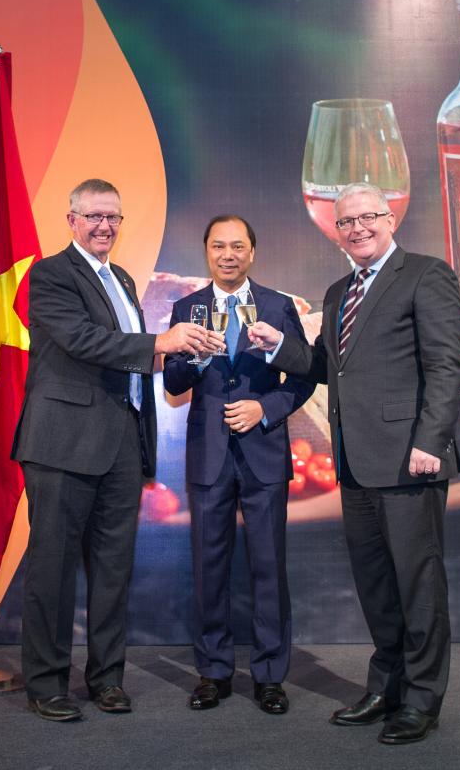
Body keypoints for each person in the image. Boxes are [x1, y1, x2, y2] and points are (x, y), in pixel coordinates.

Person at [247, 182, 460, 744]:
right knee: (375, 584)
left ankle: (421, 700)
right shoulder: (340, 289)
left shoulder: (426, 274)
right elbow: (326, 367)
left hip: (408, 459)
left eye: (368, 217)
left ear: (390, 218)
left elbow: (446, 366)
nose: (358, 229)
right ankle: (387, 685)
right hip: (356, 461)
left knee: (418, 584)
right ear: (336, 230)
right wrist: (277, 345)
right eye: (347, 222)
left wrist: (429, 442)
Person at [11, 178, 208, 722]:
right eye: (94, 216)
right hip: (61, 443)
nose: (104, 226)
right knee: (51, 568)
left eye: (113, 218)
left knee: (113, 568)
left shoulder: (120, 277)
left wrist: (183, 355)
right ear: (71, 219)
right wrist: (159, 345)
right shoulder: (50, 274)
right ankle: (47, 684)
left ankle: (106, 679)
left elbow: (129, 358)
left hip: (122, 442)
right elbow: (82, 341)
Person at [163, 215, 315, 715]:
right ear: (207, 252)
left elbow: (305, 374)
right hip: (208, 457)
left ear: (253, 252)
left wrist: (265, 409)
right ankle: (213, 672)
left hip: (264, 453)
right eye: (218, 246)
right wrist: (199, 360)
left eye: (238, 246)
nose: (227, 255)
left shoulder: (278, 305)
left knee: (269, 566)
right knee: (209, 568)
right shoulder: (187, 308)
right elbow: (173, 385)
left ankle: (270, 676)